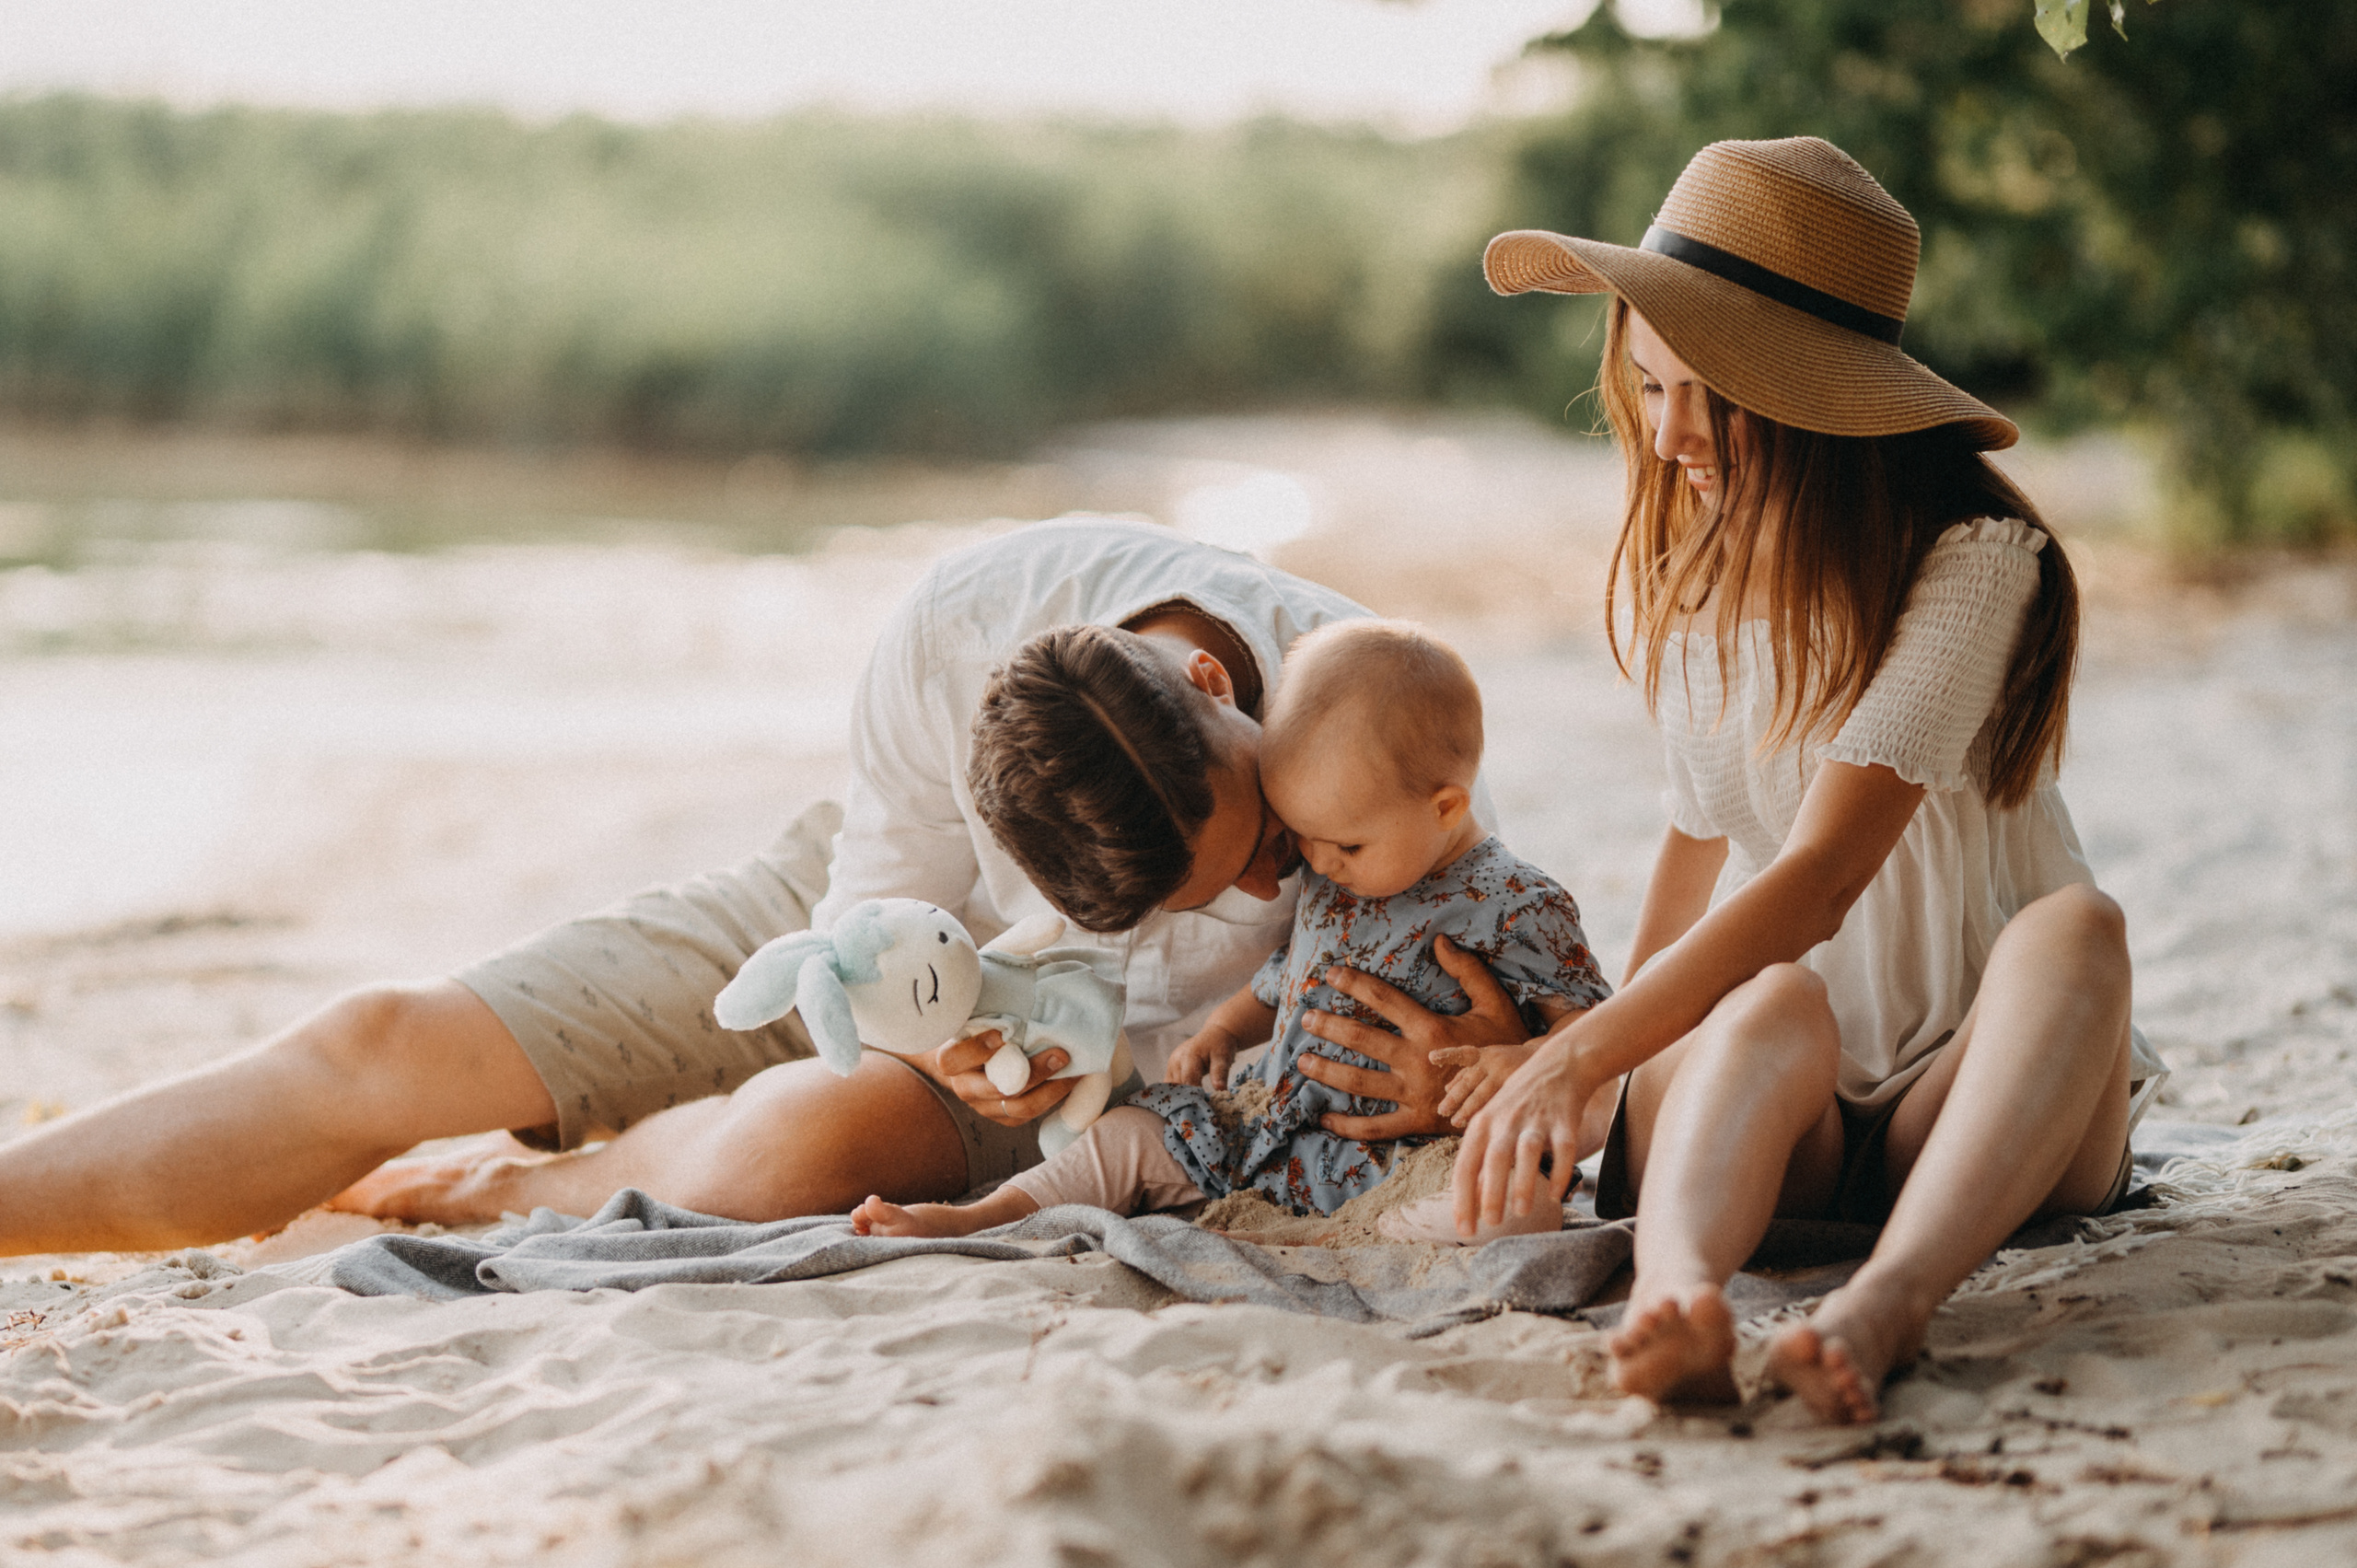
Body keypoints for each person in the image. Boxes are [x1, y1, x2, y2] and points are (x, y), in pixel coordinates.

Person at [0, 517, 1535, 1255]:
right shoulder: (956, 628)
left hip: (1091, 1071)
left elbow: (1478, 949)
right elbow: (866, 956)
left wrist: (1483, 1054)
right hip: (870, 920)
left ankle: (513, 1183)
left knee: (791, 1149)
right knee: (384, 1046)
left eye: (1262, 847)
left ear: (1220, 682)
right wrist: (952, 1023)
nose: (1271, 871)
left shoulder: (1360, 706)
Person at [1450, 137, 2167, 1424]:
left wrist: (1576, 1058)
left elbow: (1826, 870)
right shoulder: (1699, 587)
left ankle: (1888, 1299)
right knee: (1773, 998)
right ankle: (1677, 1295)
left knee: (2081, 929)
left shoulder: (1972, 561)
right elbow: (1693, 863)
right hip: (1802, 1105)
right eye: (1650, 386)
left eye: (1709, 395)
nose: (1671, 436)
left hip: (1990, 1096)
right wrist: (1586, 1067)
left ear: (1818, 398)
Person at [852, 619, 1611, 1239]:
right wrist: (1221, 1029)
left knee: (1514, 1202)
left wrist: (1516, 1062)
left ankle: (1368, 1230)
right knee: (1125, 1136)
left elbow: (1599, 1040)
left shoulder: (1518, 901)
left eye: (1340, 845)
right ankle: (992, 1214)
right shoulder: (1339, 860)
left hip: (1406, 1149)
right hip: (1270, 1124)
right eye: (1305, 837)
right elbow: (1287, 976)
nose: (1309, 864)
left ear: (1446, 806)